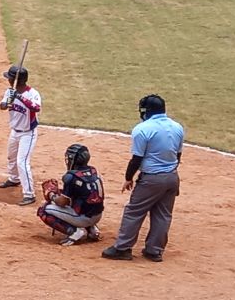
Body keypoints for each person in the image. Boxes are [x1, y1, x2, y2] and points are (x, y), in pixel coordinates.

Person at [102, 94, 185, 262]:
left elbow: (137, 159)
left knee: (134, 211)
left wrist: (128, 178)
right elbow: (178, 155)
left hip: (151, 179)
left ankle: (123, 248)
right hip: (172, 177)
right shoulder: (177, 127)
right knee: (163, 214)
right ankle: (154, 251)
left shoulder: (143, 129)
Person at [37, 143, 105, 246]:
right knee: (81, 200)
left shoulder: (71, 177)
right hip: (98, 215)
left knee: (43, 210)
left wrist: (51, 195)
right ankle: (92, 230)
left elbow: (62, 203)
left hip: (83, 218)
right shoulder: (93, 171)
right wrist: (59, 192)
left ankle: (74, 231)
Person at [0, 65, 41, 205]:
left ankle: (29, 194)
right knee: (11, 157)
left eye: (9, 77)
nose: (7, 80)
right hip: (15, 131)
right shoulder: (10, 91)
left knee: (22, 162)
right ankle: (14, 179)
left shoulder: (33, 93)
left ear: (16, 80)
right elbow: (2, 106)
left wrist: (19, 97)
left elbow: (36, 108)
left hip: (28, 133)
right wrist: (7, 101)